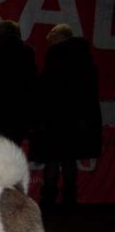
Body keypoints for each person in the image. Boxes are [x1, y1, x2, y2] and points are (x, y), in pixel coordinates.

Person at [30, 24, 102, 209]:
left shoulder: (56, 57)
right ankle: (70, 197)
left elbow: (47, 89)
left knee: (52, 158)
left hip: (56, 117)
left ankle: (49, 198)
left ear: (59, 37)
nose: (50, 41)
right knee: (69, 158)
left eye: (52, 37)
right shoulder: (85, 59)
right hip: (76, 119)